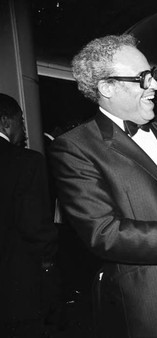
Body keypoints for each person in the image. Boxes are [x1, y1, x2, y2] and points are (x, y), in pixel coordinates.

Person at [48, 34, 157, 338]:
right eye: (143, 78)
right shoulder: (75, 148)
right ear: (107, 88)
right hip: (147, 306)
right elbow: (103, 233)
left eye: (152, 75)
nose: (154, 85)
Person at [0, 93, 58, 337]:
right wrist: (49, 261)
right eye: (21, 121)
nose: (24, 129)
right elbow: (34, 225)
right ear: (6, 122)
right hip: (17, 283)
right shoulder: (26, 162)